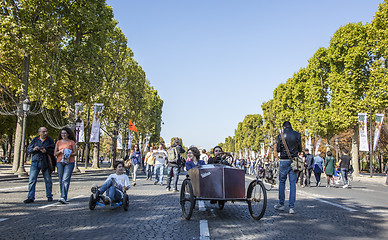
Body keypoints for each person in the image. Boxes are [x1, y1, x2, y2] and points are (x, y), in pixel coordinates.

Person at [274, 121, 302, 214]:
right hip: (293, 161)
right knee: (292, 183)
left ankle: (281, 204)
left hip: (283, 160)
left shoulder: (281, 135)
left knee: (282, 182)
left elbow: (278, 149)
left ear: (283, 127)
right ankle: (291, 207)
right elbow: (300, 149)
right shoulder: (297, 134)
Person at [24, 127, 56, 203]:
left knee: (48, 180)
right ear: (39, 133)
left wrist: (46, 150)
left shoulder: (49, 140)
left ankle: (49, 196)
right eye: (43, 132)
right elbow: (28, 149)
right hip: (35, 161)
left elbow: (53, 149)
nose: (45, 133)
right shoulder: (35, 140)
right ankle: (31, 197)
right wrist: (34, 149)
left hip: (45, 162)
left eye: (46, 131)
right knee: (32, 180)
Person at [54, 127, 77, 204]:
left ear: (68, 134)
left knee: (65, 179)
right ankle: (63, 196)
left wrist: (68, 153)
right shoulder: (58, 142)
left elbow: (75, 153)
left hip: (69, 162)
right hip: (60, 162)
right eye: (62, 133)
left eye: (64, 133)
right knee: (61, 179)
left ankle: (63, 197)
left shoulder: (71, 142)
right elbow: (55, 154)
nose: (63, 134)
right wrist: (61, 151)